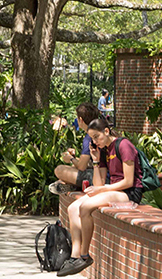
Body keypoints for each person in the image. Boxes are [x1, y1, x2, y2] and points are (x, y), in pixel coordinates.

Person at [55, 117, 145, 276]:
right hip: (112, 190)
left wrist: (103, 189)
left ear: (106, 131)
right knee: (72, 207)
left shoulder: (124, 145)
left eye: (97, 137)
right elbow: (98, 183)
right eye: (92, 139)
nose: (95, 142)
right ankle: (75, 256)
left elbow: (129, 181)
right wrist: (96, 161)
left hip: (129, 192)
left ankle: (84, 255)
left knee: (85, 206)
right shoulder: (104, 150)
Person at [48, 103, 106, 195]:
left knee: (59, 170)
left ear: (80, 120)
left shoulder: (89, 138)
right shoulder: (101, 131)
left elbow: (82, 167)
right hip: (102, 172)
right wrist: (75, 159)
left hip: (101, 177)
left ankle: (73, 186)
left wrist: (70, 159)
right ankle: (71, 185)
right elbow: (88, 163)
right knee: (69, 170)